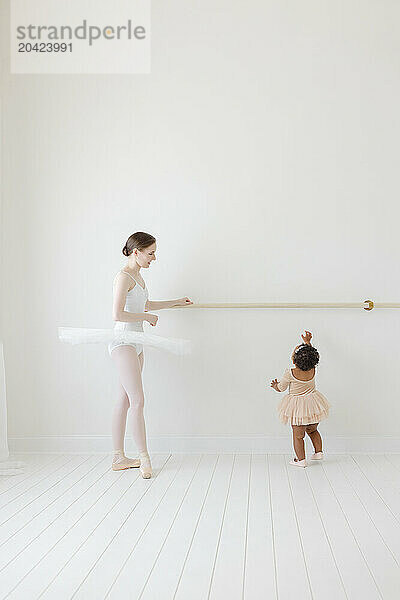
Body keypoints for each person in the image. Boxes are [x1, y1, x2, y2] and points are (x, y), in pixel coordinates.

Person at [58, 231, 192, 479]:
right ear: (136, 252)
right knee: (138, 400)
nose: (154, 257)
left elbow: (146, 304)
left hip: (137, 342)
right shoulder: (123, 277)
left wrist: (177, 302)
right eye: (151, 253)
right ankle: (144, 458)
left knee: (124, 399)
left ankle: (118, 457)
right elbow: (117, 315)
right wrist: (146, 317)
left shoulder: (138, 276)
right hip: (123, 342)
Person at [270, 331, 330, 468]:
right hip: (313, 404)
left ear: (294, 361)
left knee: (298, 436)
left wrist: (275, 386)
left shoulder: (290, 372)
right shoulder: (313, 369)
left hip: (298, 407)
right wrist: (308, 342)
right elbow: (309, 356)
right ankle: (318, 452)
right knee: (313, 430)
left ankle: (300, 460)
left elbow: (282, 388)